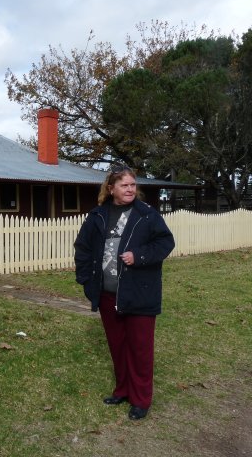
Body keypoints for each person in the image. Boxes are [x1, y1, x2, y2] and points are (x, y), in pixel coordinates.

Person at [74, 165, 175, 420]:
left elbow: (165, 242)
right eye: (124, 185)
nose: (130, 189)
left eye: (132, 185)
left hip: (139, 293)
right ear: (111, 189)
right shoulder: (98, 215)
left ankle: (141, 399)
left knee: (140, 348)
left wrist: (139, 256)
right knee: (118, 346)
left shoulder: (146, 214)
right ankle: (123, 389)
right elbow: (83, 248)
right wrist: (86, 281)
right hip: (108, 295)